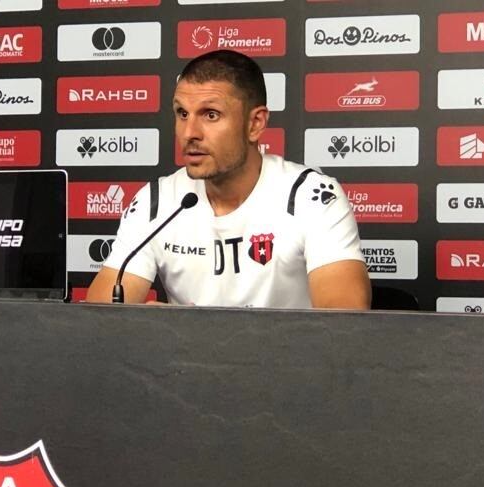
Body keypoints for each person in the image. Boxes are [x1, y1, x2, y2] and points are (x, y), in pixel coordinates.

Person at [86, 50, 371, 309]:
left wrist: (186, 330)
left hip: (288, 366)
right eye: (182, 113)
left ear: (255, 123)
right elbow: (99, 323)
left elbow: (342, 327)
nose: (189, 133)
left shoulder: (312, 197)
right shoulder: (157, 202)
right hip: (185, 366)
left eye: (211, 115)